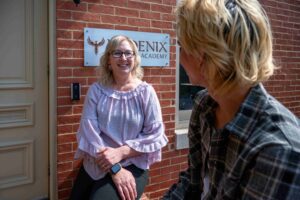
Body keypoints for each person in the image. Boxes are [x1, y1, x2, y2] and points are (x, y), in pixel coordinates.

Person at [163, 0, 300, 199]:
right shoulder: (204, 106)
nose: (179, 55)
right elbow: (193, 182)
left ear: (205, 54)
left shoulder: (280, 151)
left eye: (180, 45)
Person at [69, 35, 168, 200]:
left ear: (135, 59)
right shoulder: (96, 91)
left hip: (133, 164)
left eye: (129, 53)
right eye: (117, 53)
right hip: (96, 163)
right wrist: (114, 167)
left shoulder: (146, 92)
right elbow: (89, 133)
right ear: (108, 60)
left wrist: (121, 153)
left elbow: (155, 134)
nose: (124, 58)